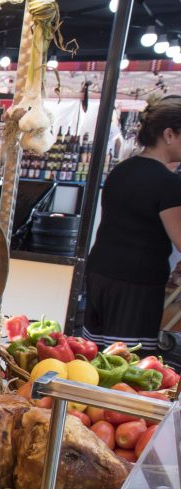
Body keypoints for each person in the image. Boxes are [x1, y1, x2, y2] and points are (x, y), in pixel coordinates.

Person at [82, 95, 181, 353]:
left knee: (94, 354)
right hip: (135, 283)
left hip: (100, 273)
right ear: (169, 134)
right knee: (126, 364)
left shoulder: (121, 171)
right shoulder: (168, 184)